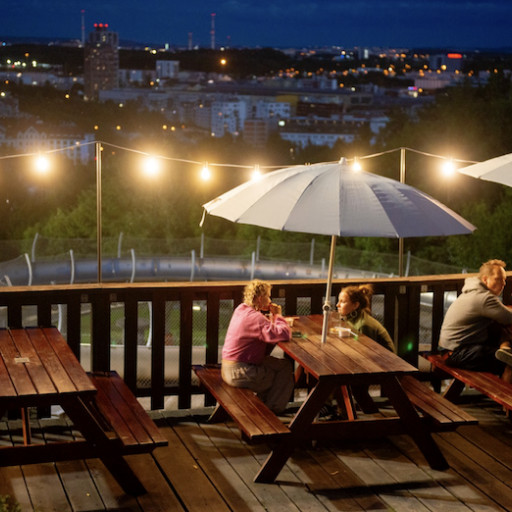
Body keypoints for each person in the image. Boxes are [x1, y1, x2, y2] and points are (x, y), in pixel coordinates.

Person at [221, 279, 294, 414]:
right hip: (239, 371)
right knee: (281, 377)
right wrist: (278, 315)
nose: (270, 299)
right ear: (260, 299)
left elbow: (263, 329)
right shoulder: (255, 318)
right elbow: (283, 334)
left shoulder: (241, 309)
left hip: (229, 366)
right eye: (268, 296)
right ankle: (271, 412)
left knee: (284, 365)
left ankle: (265, 407)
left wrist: (272, 318)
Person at [438, 259, 512, 380]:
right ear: (485, 279)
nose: (503, 284)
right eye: (498, 279)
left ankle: (505, 348)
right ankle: (506, 396)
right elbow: (508, 317)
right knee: (508, 362)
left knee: (498, 334)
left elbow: (503, 314)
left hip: (449, 350)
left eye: (504, 280)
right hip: (458, 353)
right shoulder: (484, 298)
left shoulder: (473, 292)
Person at [336, 284, 396, 353]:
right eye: (338, 301)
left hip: (386, 361)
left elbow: (365, 352)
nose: (337, 305)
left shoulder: (363, 325)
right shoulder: (351, 318)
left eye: (342, 302)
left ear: (355, 305)